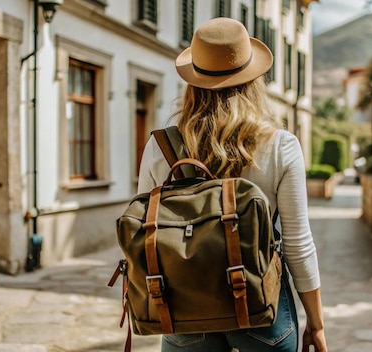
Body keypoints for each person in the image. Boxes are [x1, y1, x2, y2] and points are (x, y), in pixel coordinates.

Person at [137, 17, 327, 352]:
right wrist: (316, 323)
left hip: (185, 309)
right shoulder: (280, 145)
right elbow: (299, 244)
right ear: (253, 80)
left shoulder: (161, 146)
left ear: (192, 82)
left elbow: (144, 230)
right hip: (260, 308)